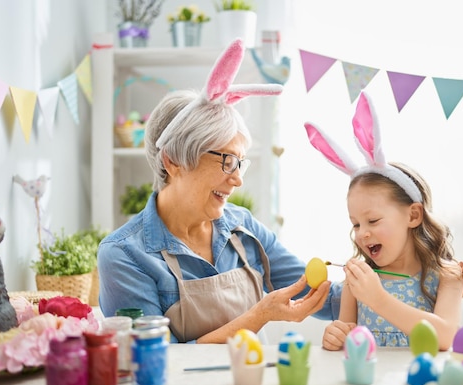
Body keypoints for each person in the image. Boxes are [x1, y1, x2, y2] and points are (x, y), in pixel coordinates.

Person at [97, 39, 340, 344]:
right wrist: (258, 316)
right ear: (173, 161)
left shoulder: (243, 228)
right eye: (227, 161)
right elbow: (157, 359)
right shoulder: (124, 255)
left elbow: (321, 296)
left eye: (240, 163)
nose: (237, 179)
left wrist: (390, 289)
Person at [305, 92, 463, 351]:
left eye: (373, 220)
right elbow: (349, 343)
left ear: (413, 215)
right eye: (356, 224)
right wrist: (337, 338)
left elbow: (446, 338)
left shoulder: (447, 275)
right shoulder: (356, 282)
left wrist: (378, 299)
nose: (362, 234)